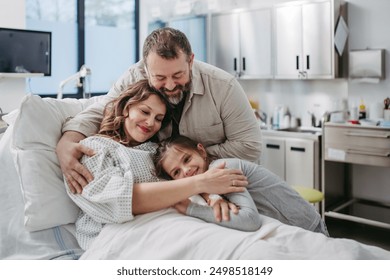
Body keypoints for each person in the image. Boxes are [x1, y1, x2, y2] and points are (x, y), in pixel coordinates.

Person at [56, 27, 261, 195]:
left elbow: (250, 146)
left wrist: (190, 159)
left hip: (224, 186)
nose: (170, 85)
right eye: (160, 78)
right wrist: (67, 142)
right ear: (146, 69)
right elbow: (103, 110)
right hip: (166, 194)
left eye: (178, 75)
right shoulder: (133, 77)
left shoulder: (223, 86)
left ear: (190, 61)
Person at [67, 80, 248, 250]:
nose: (151, 123)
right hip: (122, 233)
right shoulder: (95, 148)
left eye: (159, 118)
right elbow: (121, 201)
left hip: (176, 221)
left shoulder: (156, 151)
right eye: (145, 112)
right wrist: (202, 183)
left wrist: (212, 196)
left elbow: (186, 176)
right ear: (126, 108)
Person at [153, 135, 329, 236]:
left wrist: (191, 209)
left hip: (309, 227)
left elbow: (250, 220)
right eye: (176, 172)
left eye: (187, 159)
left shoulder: (224, 168)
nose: (186, 170)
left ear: (201, 150)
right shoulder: (206, 183)